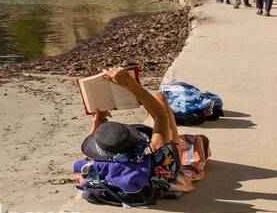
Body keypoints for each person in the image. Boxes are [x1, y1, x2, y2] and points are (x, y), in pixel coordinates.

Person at [80, 67, 193, 195]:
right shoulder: (154, 151)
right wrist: (129, 83)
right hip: (162, 166)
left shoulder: (99, 162)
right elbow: (160, 115)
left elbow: (85, 155)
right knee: (159, 98)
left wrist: (96, 123)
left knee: (158, 105)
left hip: (146, 176)